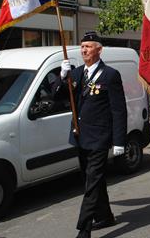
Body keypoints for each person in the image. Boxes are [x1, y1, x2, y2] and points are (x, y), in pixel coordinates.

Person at [57, 31, 127, 238]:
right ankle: (105, 216)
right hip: (80, 136)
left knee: (91, 183)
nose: (84, 50)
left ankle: (84, 229)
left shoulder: (110, 75)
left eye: (88, 46)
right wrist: (62, 78)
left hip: (99, 138)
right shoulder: (77, 73)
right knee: (94, 180)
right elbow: (58, 96)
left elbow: (118, 110)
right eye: (82, 46)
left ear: (99, 49)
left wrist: (119, 141)